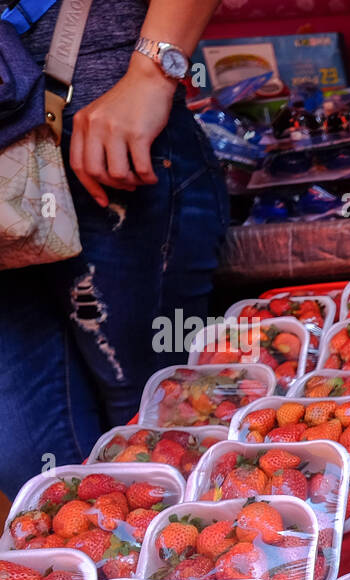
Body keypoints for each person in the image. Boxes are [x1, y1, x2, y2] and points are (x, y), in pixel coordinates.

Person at [0, 0, 227, 500]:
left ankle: (213, 571)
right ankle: (112, 573)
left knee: (159, 423)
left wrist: (151, 75)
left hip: (108, 141)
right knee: (32, 468)